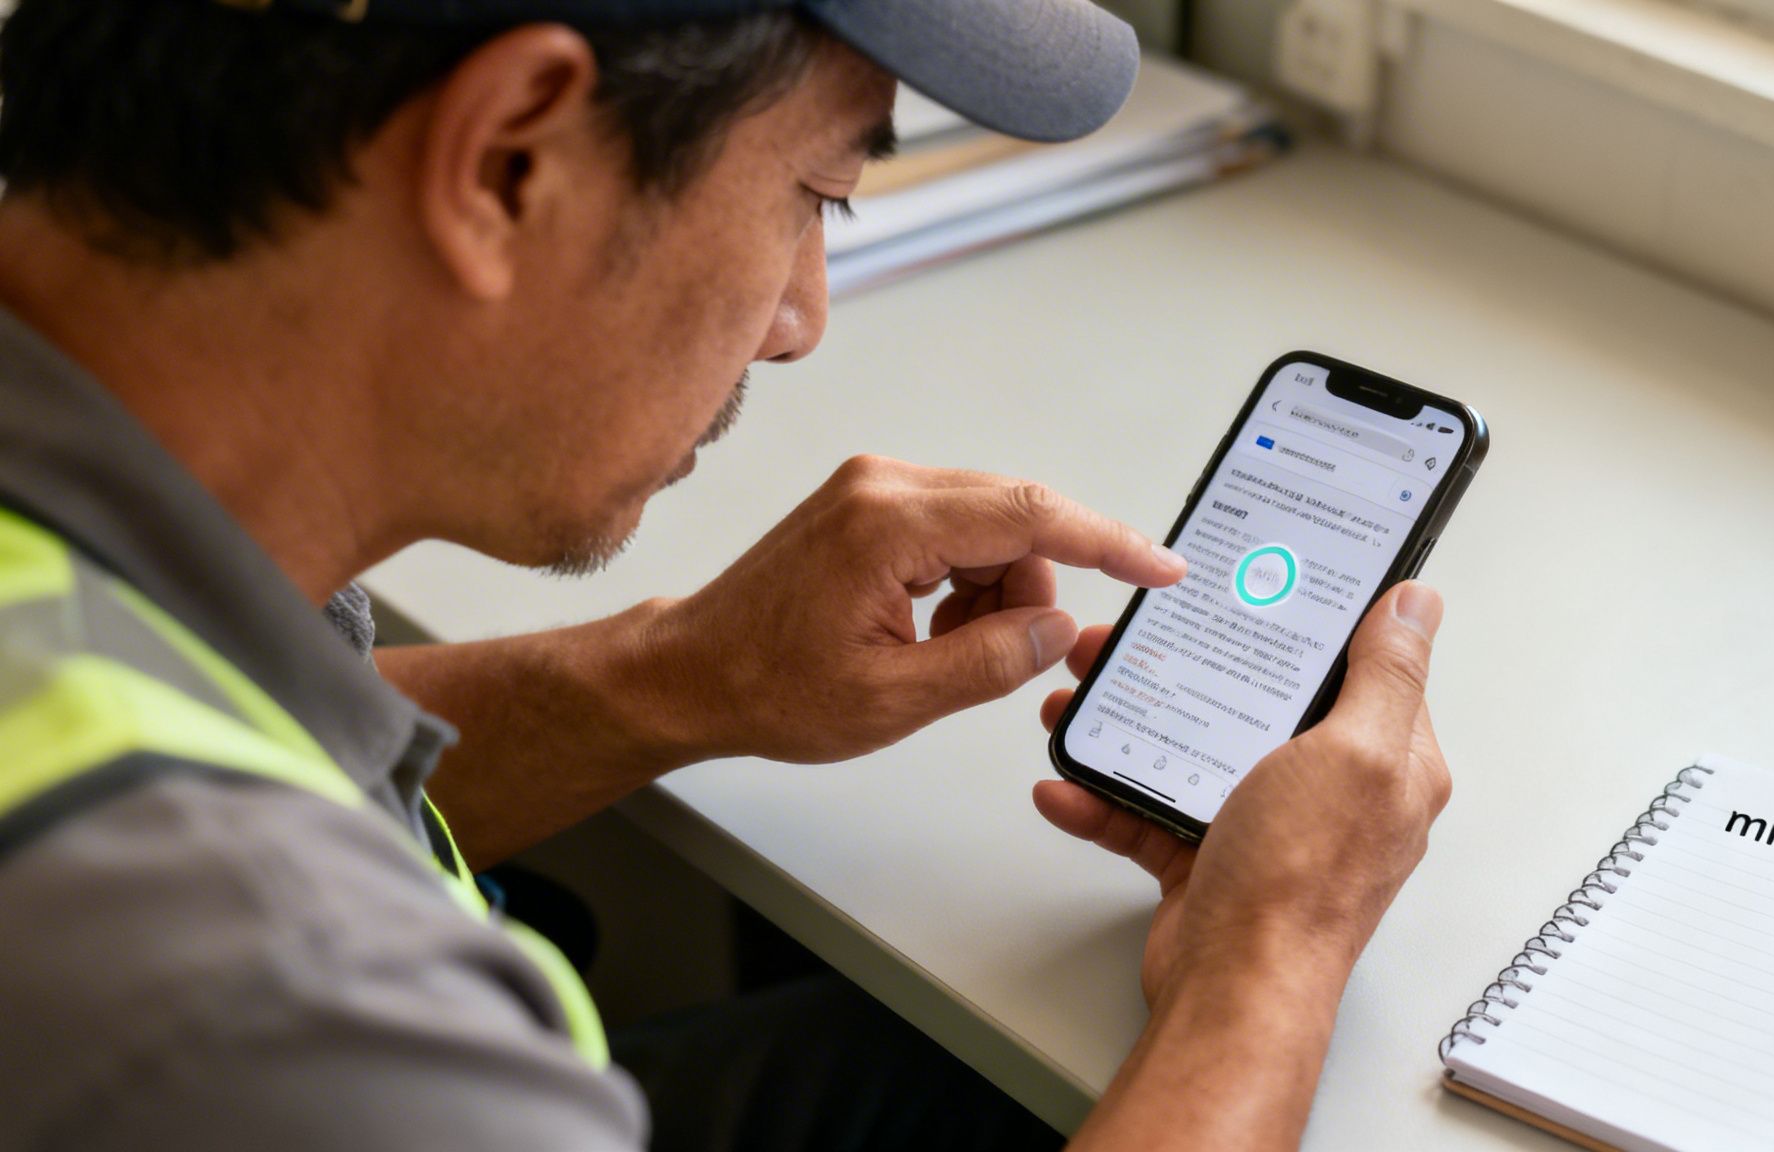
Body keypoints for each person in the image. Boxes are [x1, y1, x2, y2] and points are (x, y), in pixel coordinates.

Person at [0, 0, 1452, 1149]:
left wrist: (684, 674)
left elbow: (264, 753)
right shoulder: (252, 997)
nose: (800, 319)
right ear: (512, 157)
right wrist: (1272, 956)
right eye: (820, 189)